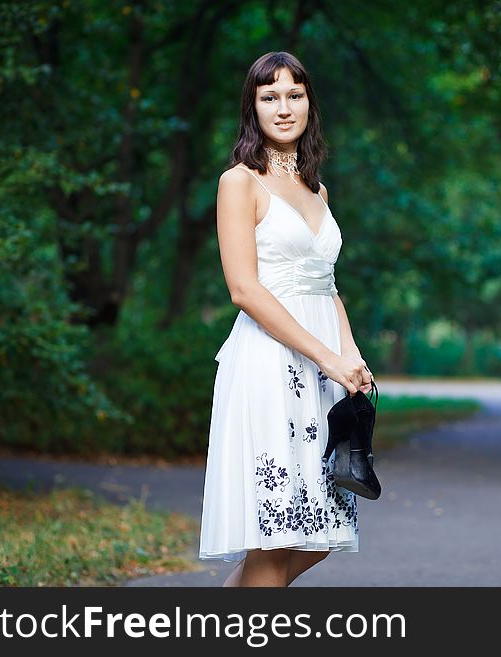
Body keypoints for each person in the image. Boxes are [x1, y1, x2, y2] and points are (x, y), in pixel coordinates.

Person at [197, 51, 374, 587]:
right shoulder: (240, 183)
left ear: (308, 104)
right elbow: (243, 289)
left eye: (294, 94)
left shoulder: (318, 190)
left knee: (319, 533)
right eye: (269, 96)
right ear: (253, 107)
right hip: (269, 367)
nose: (283, 107)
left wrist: (351, 356)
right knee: (275, 541)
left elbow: (328, 285)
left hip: (324, 373)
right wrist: (326, 357)